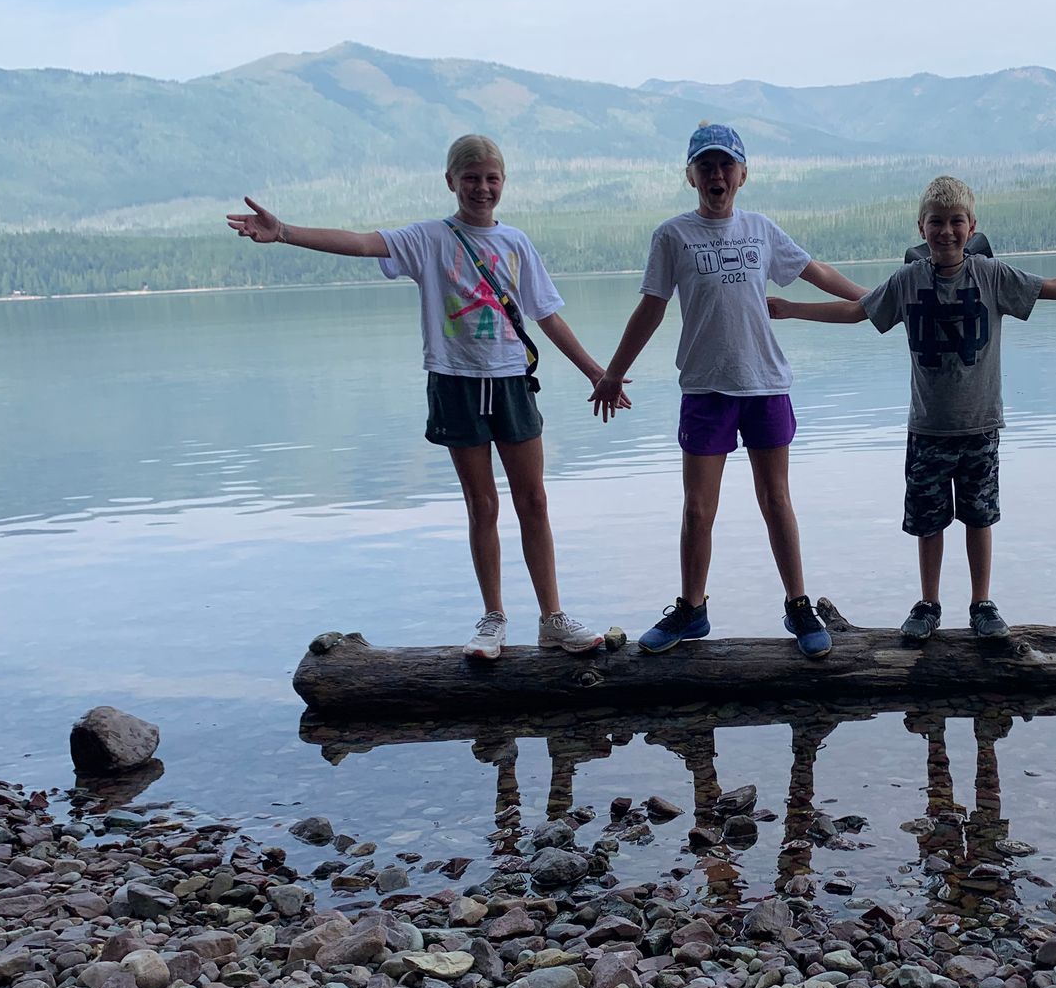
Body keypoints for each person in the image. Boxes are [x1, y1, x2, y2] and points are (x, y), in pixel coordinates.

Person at [226, 133, 622, 660]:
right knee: (482, 504)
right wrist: (285, 233)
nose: (482, 188)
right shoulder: (429, 238)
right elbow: (361, 243)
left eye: (491, 179)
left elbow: (547, 315)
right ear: (451, 181)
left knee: (534, 501)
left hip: (511, 381)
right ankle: (493, 619)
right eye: (471, 178)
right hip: (454, 381)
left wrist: (597, 373)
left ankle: (553, 618)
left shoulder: (516, 243)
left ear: (503, 182)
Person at [769, 175, 1056, 642]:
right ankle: (928, 604)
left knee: (979, 517)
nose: (946, 231)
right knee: (929, 523)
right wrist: (791, 308)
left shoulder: (991, 276)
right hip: (928, 429)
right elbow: (857, 311)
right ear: (921, 227)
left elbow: (1051, 287)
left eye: (956, 222)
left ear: (972, 227)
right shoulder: (907, 281)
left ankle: (981, 603)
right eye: (936, 222)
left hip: (980, 426)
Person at [589, 123, 868, 659]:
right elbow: (651, 307)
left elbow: (815, 271)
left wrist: (875, 299)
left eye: (726, 165)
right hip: (705, 387)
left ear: (743, 174)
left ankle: (798, 605)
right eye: (706, 166)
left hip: (765, 384)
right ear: (690, 175)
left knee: (776, 500)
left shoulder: (761, 229)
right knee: (698, 508)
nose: (716, 175)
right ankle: (691, 610)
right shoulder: (672, 236)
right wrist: (614, 372)